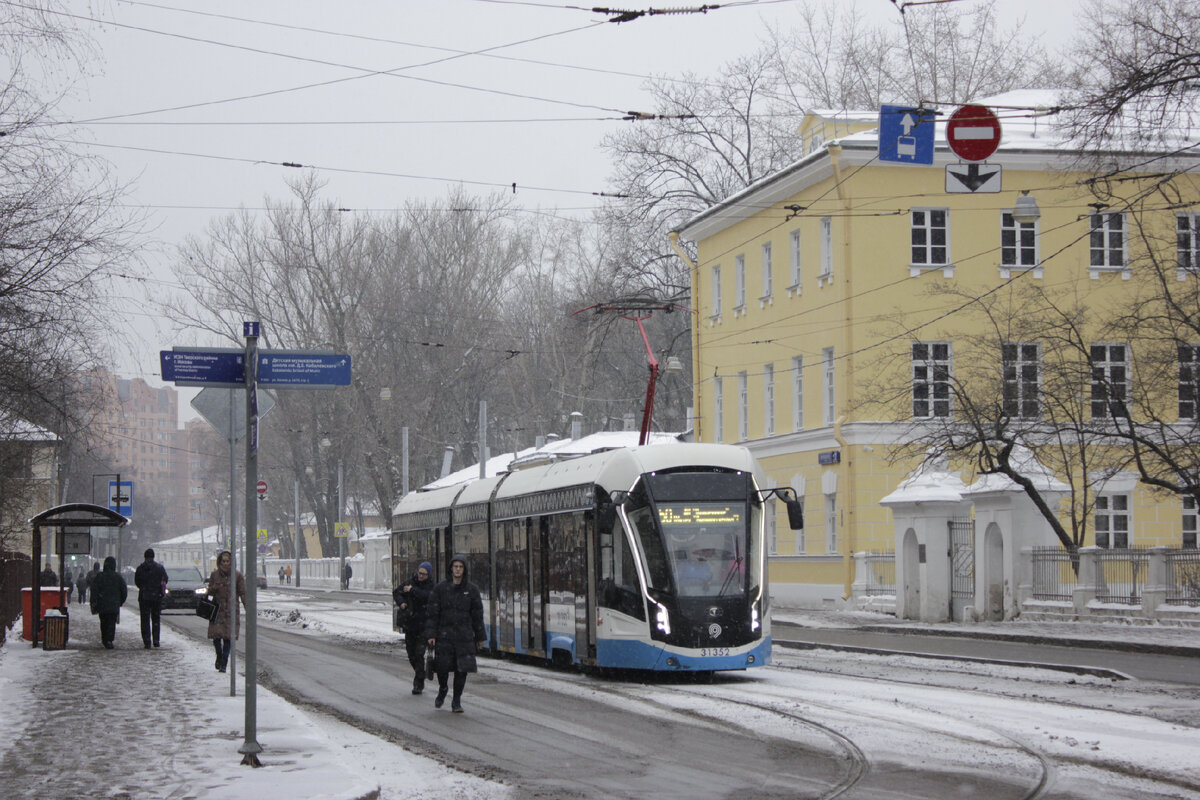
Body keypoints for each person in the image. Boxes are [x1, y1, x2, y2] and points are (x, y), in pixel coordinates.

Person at [424, 555, 486, 713]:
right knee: (442, 668)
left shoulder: (471, 590)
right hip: (444, 635)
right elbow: (432, 614)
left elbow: (477, 616)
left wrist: (480, 637)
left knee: (462, 670)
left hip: (464, 637)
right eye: (455, 566)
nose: (458, 569)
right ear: (451, 569)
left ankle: (456, 700)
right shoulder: (440, 589)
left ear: (464, 570)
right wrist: (431, 634)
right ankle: (443, 688)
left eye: (461, 567)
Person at [393, 561, 434, 695]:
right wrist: (402, 603)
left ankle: (418, 683)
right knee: (411, 655)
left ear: (428, 575)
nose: (421, 576)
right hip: (410, 625)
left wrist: (412, 590)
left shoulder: (431, 586)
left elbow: (428, 597)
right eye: (420, 573)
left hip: (424, 626)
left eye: (424, 574)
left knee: (419, 653)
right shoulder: (410, 581)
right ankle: (420, 673)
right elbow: (396, 592)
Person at [206, 550, 246, 673]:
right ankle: (219, 656)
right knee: (216, 637)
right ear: (220, 562)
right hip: (218, 610)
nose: (225, 563)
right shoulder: (215, 575)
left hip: (231, 611)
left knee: (228, 638)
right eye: (223, 561)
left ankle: (224, 662)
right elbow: (210, 591)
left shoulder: (237, 576)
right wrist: (216, 587)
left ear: (231, 562)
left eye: (227, 561)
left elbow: (243, 593)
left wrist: (247, 606)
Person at [90, 556, 127, 649]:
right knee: (111, 622)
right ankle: (110, 639)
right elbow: (124, 591)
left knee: (103, 622)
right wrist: (120, 602)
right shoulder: (118, 577)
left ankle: (105, 639)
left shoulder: (100, 577)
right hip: (114, 605)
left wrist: (94, 602)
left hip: (102, 604)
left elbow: (94, 590)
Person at [134, 548, 169, 649]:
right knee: (156, 619)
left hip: (144, 597)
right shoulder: (159, 568)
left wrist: (144, 587)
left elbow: (137, 582)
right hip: (156, 597)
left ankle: (147, 641)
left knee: (145, 620)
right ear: (153, 556)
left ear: (145, 557)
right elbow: (165, 579)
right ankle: (156, 640)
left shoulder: (140, 568)